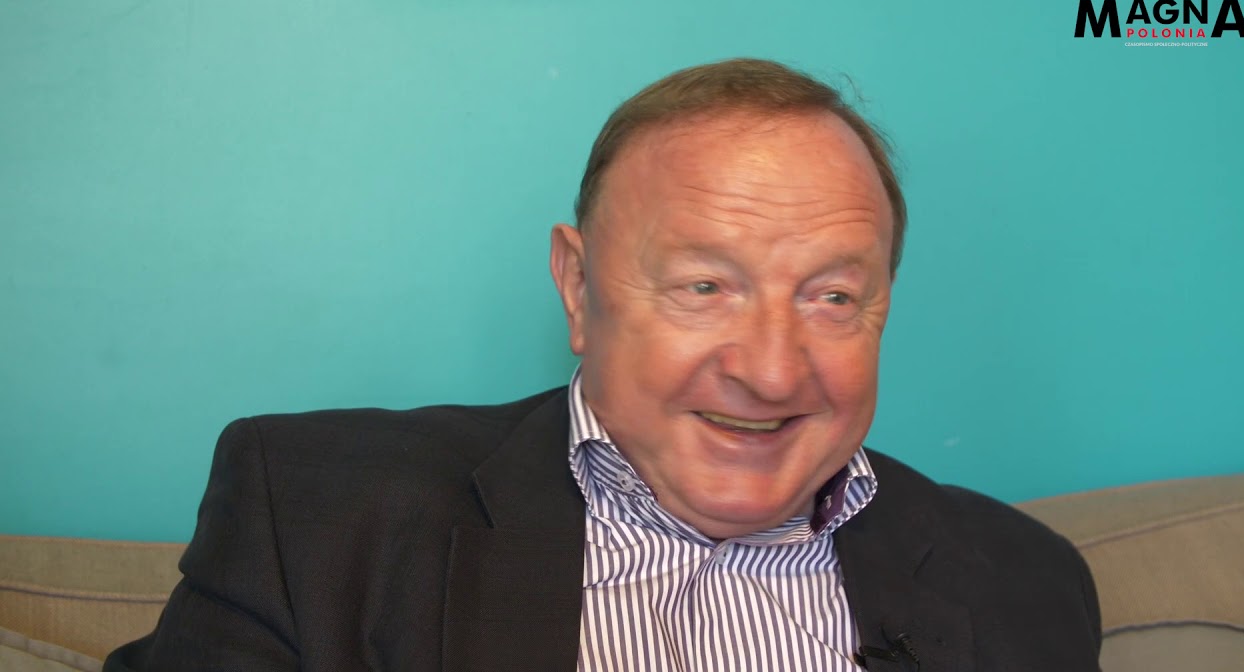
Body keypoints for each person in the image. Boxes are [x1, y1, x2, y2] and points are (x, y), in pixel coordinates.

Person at [105, 59, 1101, 671]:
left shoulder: (1022, 579)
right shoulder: (315, 516)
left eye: (830, 298)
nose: (770, 373)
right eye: (705, 286)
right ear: (578, 289)